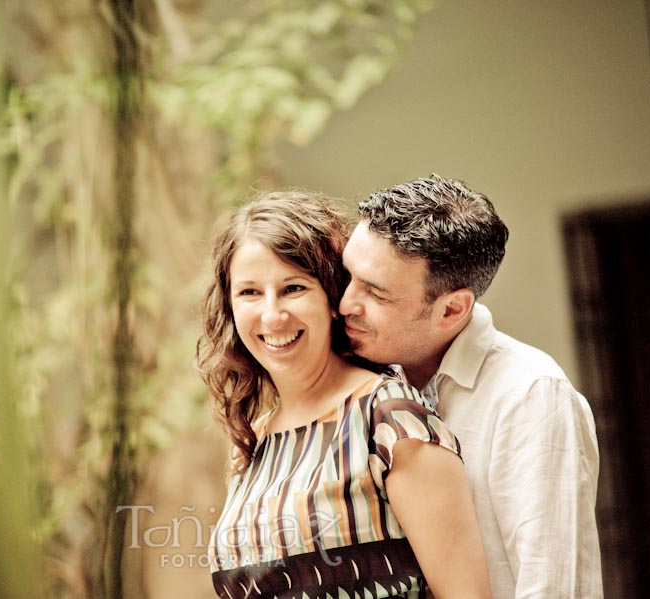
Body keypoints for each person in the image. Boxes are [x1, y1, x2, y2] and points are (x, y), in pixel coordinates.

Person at [195, 190, 491, 599]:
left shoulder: (390, 418)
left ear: (332, 297)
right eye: (249, 292)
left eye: (293, 288)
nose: (272, 315)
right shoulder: (253, 441)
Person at [339, 174, 603, 599]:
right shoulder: (365, 382)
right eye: (348, 276)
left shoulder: (530, 395)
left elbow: (552, 585)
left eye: (375, 293)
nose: (345, 303)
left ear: (452, 309)